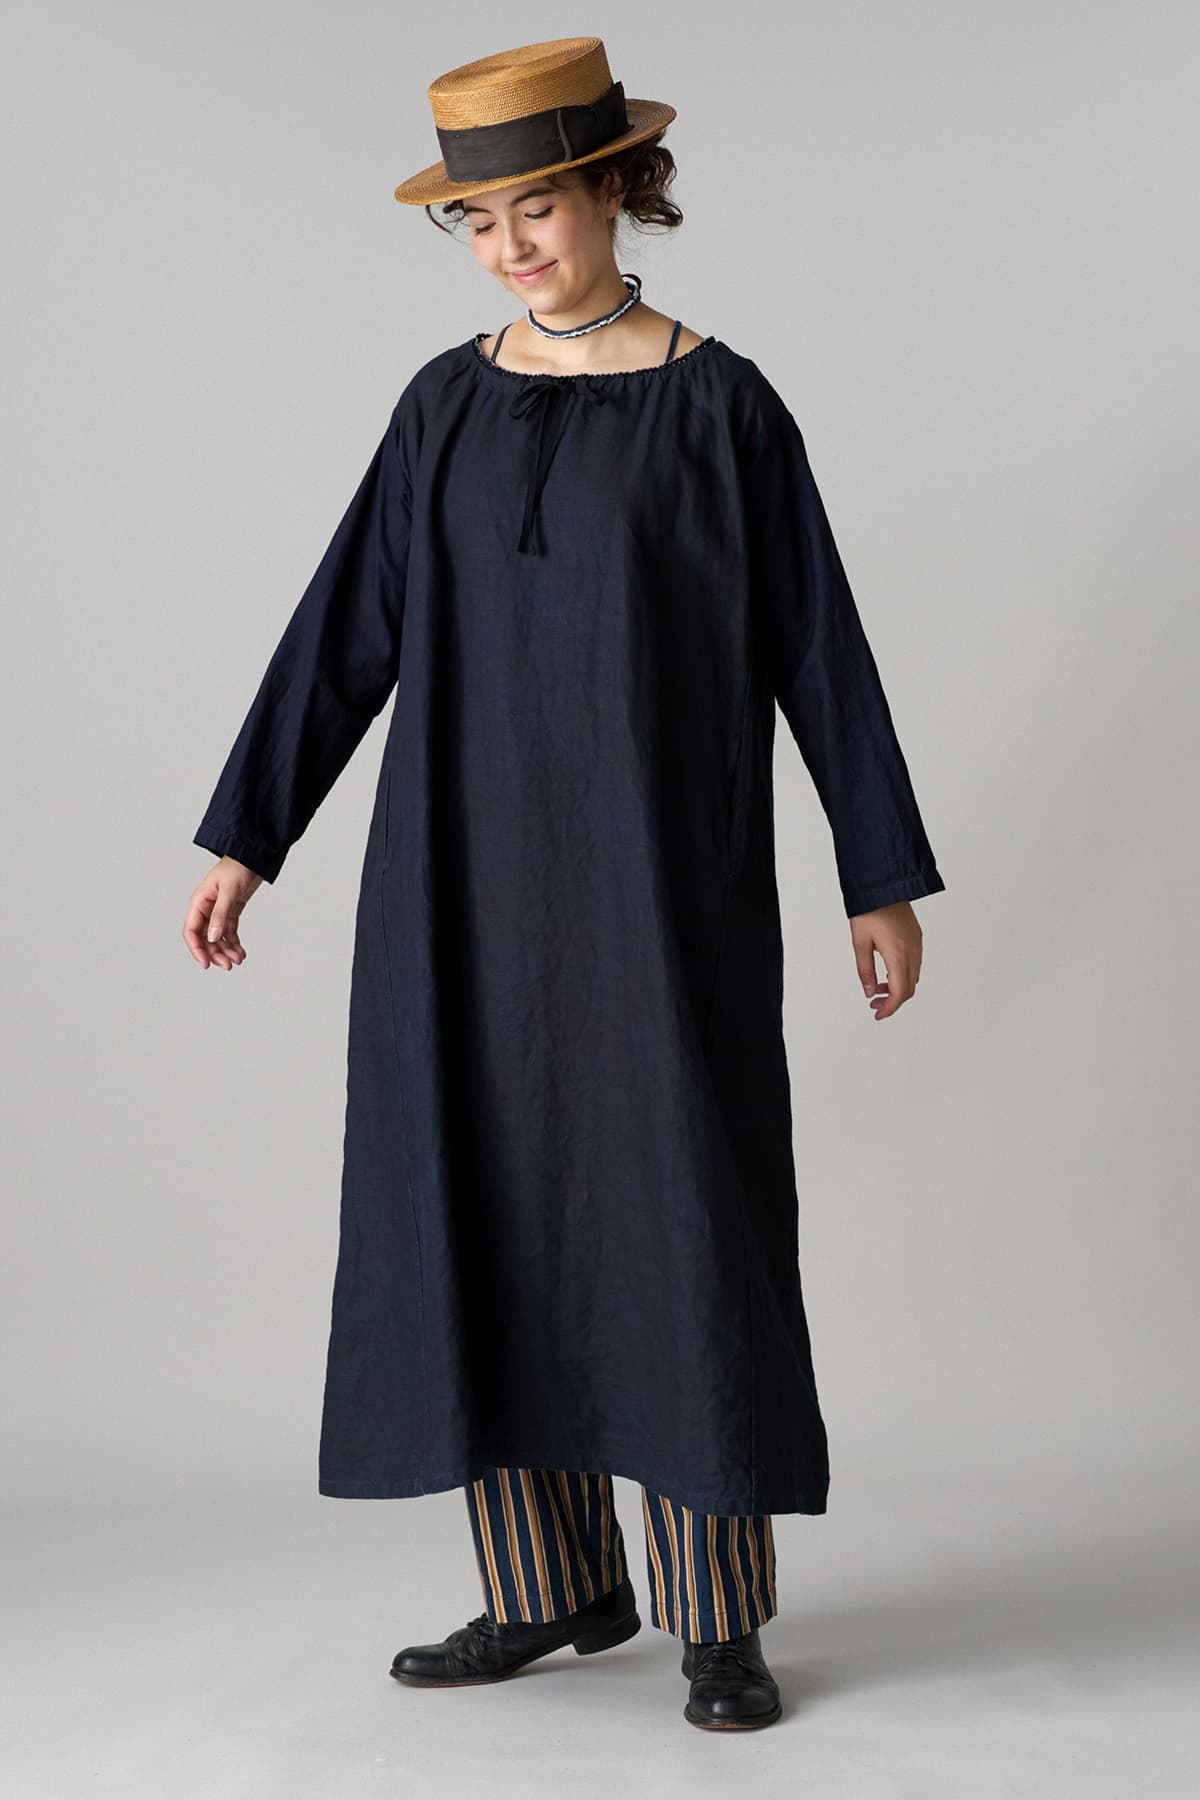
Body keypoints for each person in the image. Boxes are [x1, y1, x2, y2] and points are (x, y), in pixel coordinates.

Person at [183, 37, 946, 1732]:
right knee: (484, 1203)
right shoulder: (442, 407)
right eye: (478, 219)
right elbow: (345, 632)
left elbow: (820, 650)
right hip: (457, 888)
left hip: (660, 889)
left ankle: (718, 1621)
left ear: (615, 190)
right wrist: (248, 836)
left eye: (537, 205)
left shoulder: (722, 407)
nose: (511, 245)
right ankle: (550, 1587)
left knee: (679, 1213)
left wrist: (877, 876)